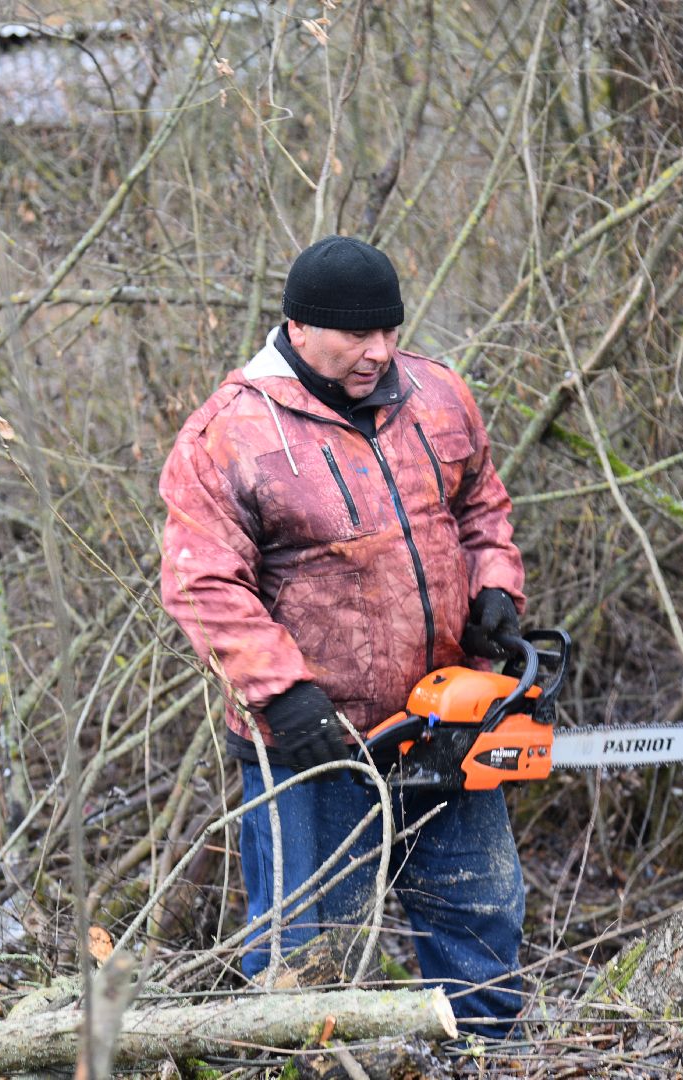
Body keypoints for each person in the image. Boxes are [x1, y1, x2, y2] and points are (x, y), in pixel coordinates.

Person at [159, 235, 527, 1037]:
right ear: (298, 327)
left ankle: (493, 1059)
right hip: (315, 748)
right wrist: (282, 695)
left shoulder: (435, 392)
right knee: (305, 960)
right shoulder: (232, 434)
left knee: (482, 924)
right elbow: (202, 581)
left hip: (448, 724)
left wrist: (495, 582)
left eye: (389, 331)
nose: (379, 352)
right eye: (357, 335)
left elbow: (481, 506)